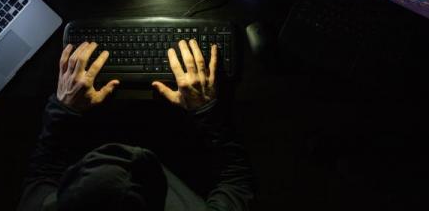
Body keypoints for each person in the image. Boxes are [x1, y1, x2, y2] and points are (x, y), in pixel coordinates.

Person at [17, 39, 254, 211]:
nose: (129, 150)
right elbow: (236, 180)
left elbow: (42, 171)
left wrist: (65, 108)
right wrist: (206, 109)